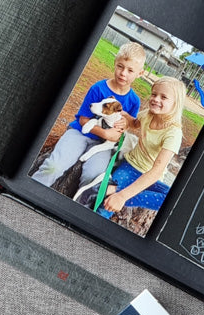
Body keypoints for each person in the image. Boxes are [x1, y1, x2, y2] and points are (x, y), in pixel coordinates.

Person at [31, 41, 145, 190]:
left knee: (93, 176)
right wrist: (105, 133)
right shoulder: (98, 88)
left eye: (130, 70)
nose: (123, 73)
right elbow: (83, 119)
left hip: (102, 145)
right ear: (115, 63)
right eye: (120, 66)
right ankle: (29, 189)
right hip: (80, 133)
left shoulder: (134, 101)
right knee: (54, 166)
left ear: (140, 73)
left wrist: (124, 125)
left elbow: (127, 125)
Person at [79, 76, 185, 217]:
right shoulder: (148, 115)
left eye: (163, 97)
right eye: (154, 94)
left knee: (175, 200)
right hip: (130, 166)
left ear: (176, 103)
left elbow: (156, 171)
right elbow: (134, 123)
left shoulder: (174, 133)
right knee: (106, 206)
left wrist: (122, 196)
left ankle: (117, 193)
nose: (156, 99)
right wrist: (122, 116)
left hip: (149, 176)